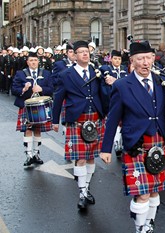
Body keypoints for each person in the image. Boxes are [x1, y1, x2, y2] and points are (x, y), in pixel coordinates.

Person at [99, 41, 165, 233]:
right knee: (142, 194)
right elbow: (113, 119)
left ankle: (149, 225)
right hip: (137, 143)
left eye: (148, 58)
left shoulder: (161, 81)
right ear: (131, 61)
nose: (145, 62)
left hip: (160, 141)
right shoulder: (122, 85)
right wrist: (106, 148)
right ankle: (140, 228)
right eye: (140, 59)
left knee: (155, 190)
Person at [52, 40, 106, 210]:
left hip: (95, 116)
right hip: (77, 118)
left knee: (91, 156)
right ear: (74, 56)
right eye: (81, 52)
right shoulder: (66, 74)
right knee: (80, 157)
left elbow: (103, 93)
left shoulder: (96, 71)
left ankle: (87, 187)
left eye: (87, 51)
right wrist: (55, 120)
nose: (85, 54)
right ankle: (82, 193)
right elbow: (58, 98)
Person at [11, 51, 54, 166]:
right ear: (27, 62)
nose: (33, 62)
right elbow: (14, 89)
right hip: (26, 105)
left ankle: (36, 154)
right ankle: (29, 155)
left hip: (40, 105)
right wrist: (24, 90)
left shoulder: (46, 73)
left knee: (38, 130)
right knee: (28, 130)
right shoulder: (21, 74)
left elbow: (51, 89)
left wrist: (41, 89)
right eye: (31, 60)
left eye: (35, 60)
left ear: (38, 61)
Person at [99, 49, 129, 157]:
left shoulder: (125, 71)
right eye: (115, 59)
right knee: (115, 124)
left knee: (123, 124)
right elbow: (102, 70)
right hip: (112, 101)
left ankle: (122, 143)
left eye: (119, 59)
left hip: (125, 101)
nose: (117, 61)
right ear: (111, 59)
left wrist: (115, 81)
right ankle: (117, 145)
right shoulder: (107, 70)